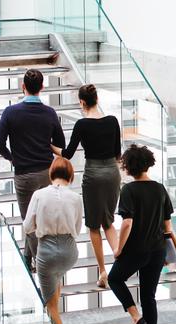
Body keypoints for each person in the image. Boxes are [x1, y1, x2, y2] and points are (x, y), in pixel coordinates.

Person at [0, 69, 65, 272]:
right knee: (43, 217)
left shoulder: (10, 112)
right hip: (46, 173)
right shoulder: (50, 113)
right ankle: (29, 256)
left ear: (22, 87)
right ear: (42, 87)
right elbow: (60, 143)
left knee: (29, 221)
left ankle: (40, 264)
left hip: (23, 175)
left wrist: (13, 158)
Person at [108, 145, 174, 324]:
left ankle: (136, 317)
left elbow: (127, 223)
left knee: (115, 279)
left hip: (136, 250)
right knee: (149, 297)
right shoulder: (160, 189)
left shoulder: (128, 190)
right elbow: (168, 227)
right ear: (148, 163)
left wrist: (118, 249)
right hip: (156, 251)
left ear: (128, 167)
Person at [51, 84, 121, 288]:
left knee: (93, 225)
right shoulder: (112, 121)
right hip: (112, 174)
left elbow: (68, 153)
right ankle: (120, 263)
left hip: (93, 175)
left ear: (82, 102)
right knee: (109, 222)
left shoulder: (82, 125)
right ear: (97, 98)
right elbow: (117, 152)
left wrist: (49, 146)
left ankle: (102, 272)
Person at [23, 157, 82, 324]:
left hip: (47, 251)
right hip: (69, 252)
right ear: (70, 175)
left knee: (51, 305)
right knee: (56, 281)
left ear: (51, 174)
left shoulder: (39, 195)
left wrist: (41, 225)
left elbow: (27, 227)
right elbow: (77, 228)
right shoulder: (76, 198)